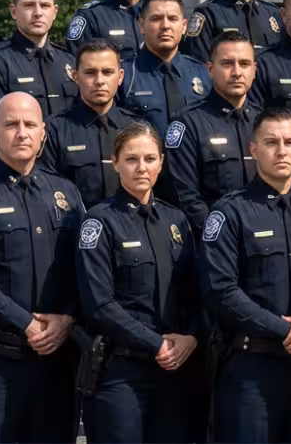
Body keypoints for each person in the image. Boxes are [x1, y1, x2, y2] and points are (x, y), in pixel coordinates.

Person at [199, 107, 291, 443]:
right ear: (253, 149)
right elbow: (220, 291)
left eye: (290, 142)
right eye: (271, 142)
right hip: (253, 369)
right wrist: (286, 331)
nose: (281, 150)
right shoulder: (230, 212)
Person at [75, 122, 200, 442]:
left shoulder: (176, 221)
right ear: (115, 163)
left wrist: (192, 337)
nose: (141, 167)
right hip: (121, 372)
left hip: (174, 371)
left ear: (161, 162)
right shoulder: (99, 221)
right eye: (131, 159)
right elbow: (99, 306)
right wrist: (156, 343)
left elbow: (195, 294)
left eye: (149, 158)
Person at [0, 93, 84, 443]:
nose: (22, 133)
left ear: (43, 132)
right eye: (11, 124)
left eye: (30, 124)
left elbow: (85, 270)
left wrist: (68, 318)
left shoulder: (66, 193)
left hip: (58, 360)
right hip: (1, 360)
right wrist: (26, 323)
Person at [162, 30, 260, 234]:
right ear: (210, 69)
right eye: (227, 64)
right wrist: (221, 235)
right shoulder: (188, 124)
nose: (237, 72)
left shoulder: (264, 123)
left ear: (254, 70)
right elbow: (186, 197)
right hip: (213, 240)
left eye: (244, 64)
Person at [41, 40, 140, 208]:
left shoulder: (137, 129)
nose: (99, 80)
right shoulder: (54, 131)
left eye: (107, 72)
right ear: (75, 76)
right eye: (90, 73)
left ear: (120, 77)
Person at [119, 0, 211, 134]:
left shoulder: (204, 74)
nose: (165, 26)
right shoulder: (124, 75)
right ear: (141, 26)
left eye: (173, 19)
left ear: (184, 26)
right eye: (156, 19)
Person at [0, 0, 78, 116]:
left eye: (45, 5)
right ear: (13, 11)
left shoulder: (70, 61)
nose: (38, 13)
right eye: (29, 5)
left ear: (54, 12)